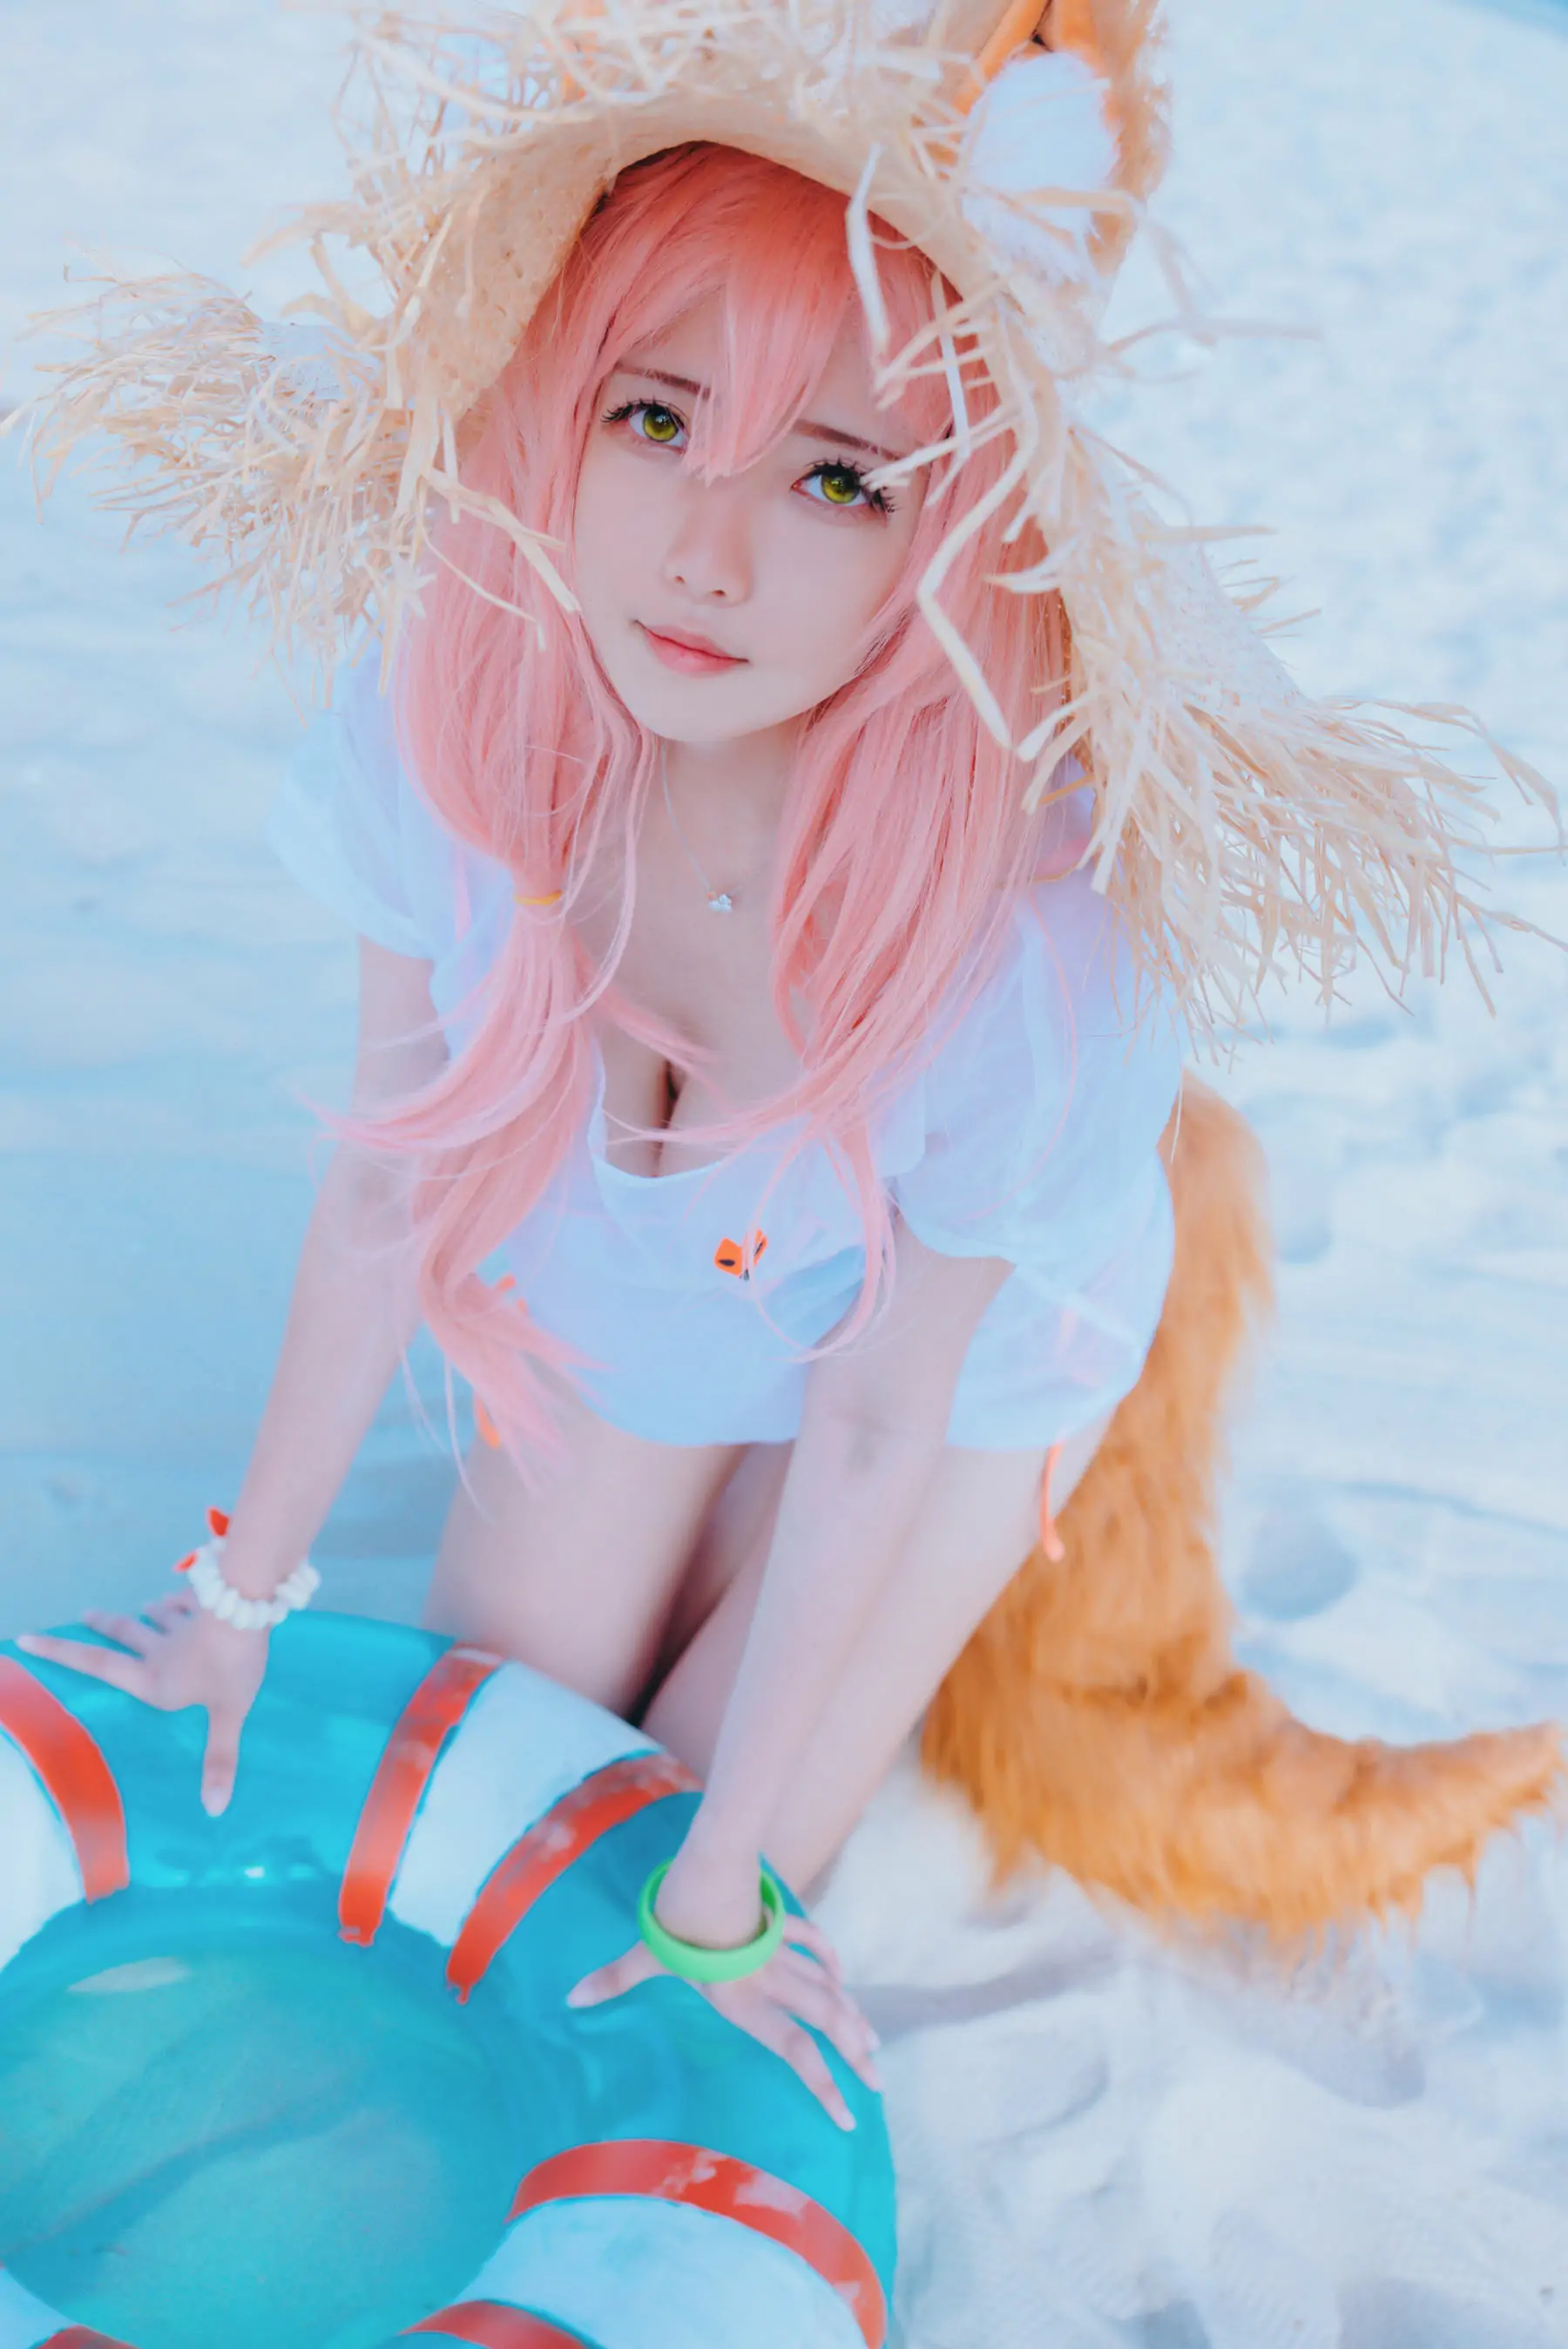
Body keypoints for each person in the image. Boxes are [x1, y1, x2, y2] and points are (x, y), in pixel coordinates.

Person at [17, 0, 1559, 2129]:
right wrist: (236, 1601)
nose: (706, 551)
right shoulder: (465, 707)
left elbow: (878, 1418)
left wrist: (729, 1874)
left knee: (665, 1835)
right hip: (649, 1282)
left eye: (839, 476)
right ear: (562, 400)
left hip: (936, 1377)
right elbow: (381, 1176)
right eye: (657, 417)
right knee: (501, 1720)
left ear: (953, 530)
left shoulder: (1025, 949)